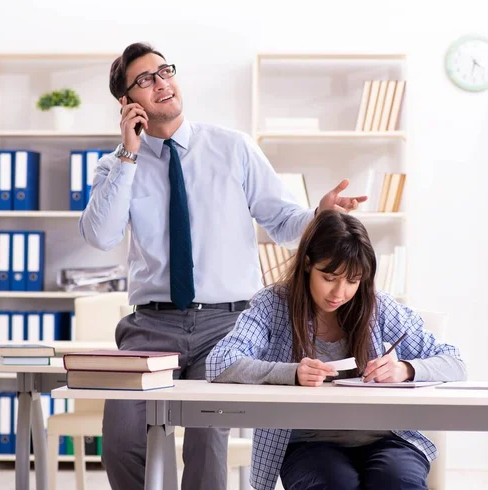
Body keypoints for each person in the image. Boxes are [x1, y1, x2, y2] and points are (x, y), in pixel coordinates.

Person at [79, 42, 367, 490]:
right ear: (127, 102)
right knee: (121, 440)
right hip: (151, 326)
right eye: (145, 80)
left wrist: (320, 214)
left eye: (164, 71)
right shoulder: (116, 167)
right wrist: (128, 153)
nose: (161, 83)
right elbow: (99, 235)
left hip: (227, 325)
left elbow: (282, 221)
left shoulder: (233, 148)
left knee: (207, 444)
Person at [206, 210, 468, 490]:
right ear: (307, 263)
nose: (339, 293)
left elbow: (455, 362)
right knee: (333, 483)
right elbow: (219, 362)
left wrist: (405, 369)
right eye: (329, 278)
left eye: (353, 281)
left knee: (395, 481)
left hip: (387, 439)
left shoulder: (377, 306)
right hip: (309, 443)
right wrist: (291, 373)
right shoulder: (274, 304)